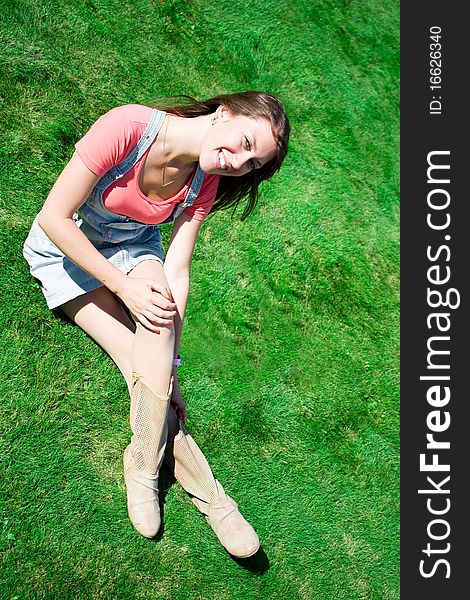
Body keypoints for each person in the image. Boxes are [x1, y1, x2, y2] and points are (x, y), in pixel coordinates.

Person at [23, 92, 290, 558]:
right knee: (135, 362)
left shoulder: (203, 179)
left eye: (252, 164)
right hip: (65, 252)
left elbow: (178, 271)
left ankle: (142, 463)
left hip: (131, 248)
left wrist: (171, 365)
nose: (239, 162)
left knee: (156, 350)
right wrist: (124, 290)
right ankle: (214, 499)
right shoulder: (127, 126)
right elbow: (53, 218)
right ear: (223, 113)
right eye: (245, 143)